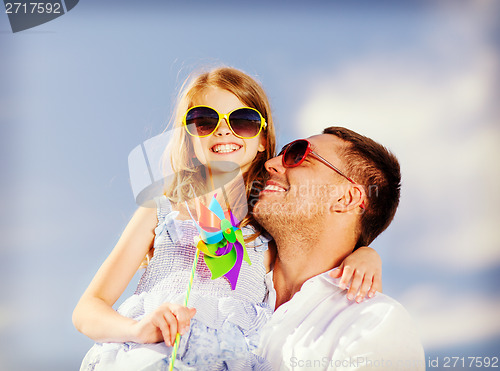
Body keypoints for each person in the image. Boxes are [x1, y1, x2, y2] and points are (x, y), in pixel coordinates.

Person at [73, 68, 383, 370]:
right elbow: (87, 309)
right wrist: (138, 329)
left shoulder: (269, 225)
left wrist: (366, 254)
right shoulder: (162, 210)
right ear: (190, 138)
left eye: (243, 121)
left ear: (263, 139)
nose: (224, 130)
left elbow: (316, 256)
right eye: (204, 121)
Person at [253, 127, 425, 370]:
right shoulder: (225, 283)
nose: (271, 163)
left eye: (298, 154)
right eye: (282, 153)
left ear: (346, 198)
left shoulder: (372, 323)